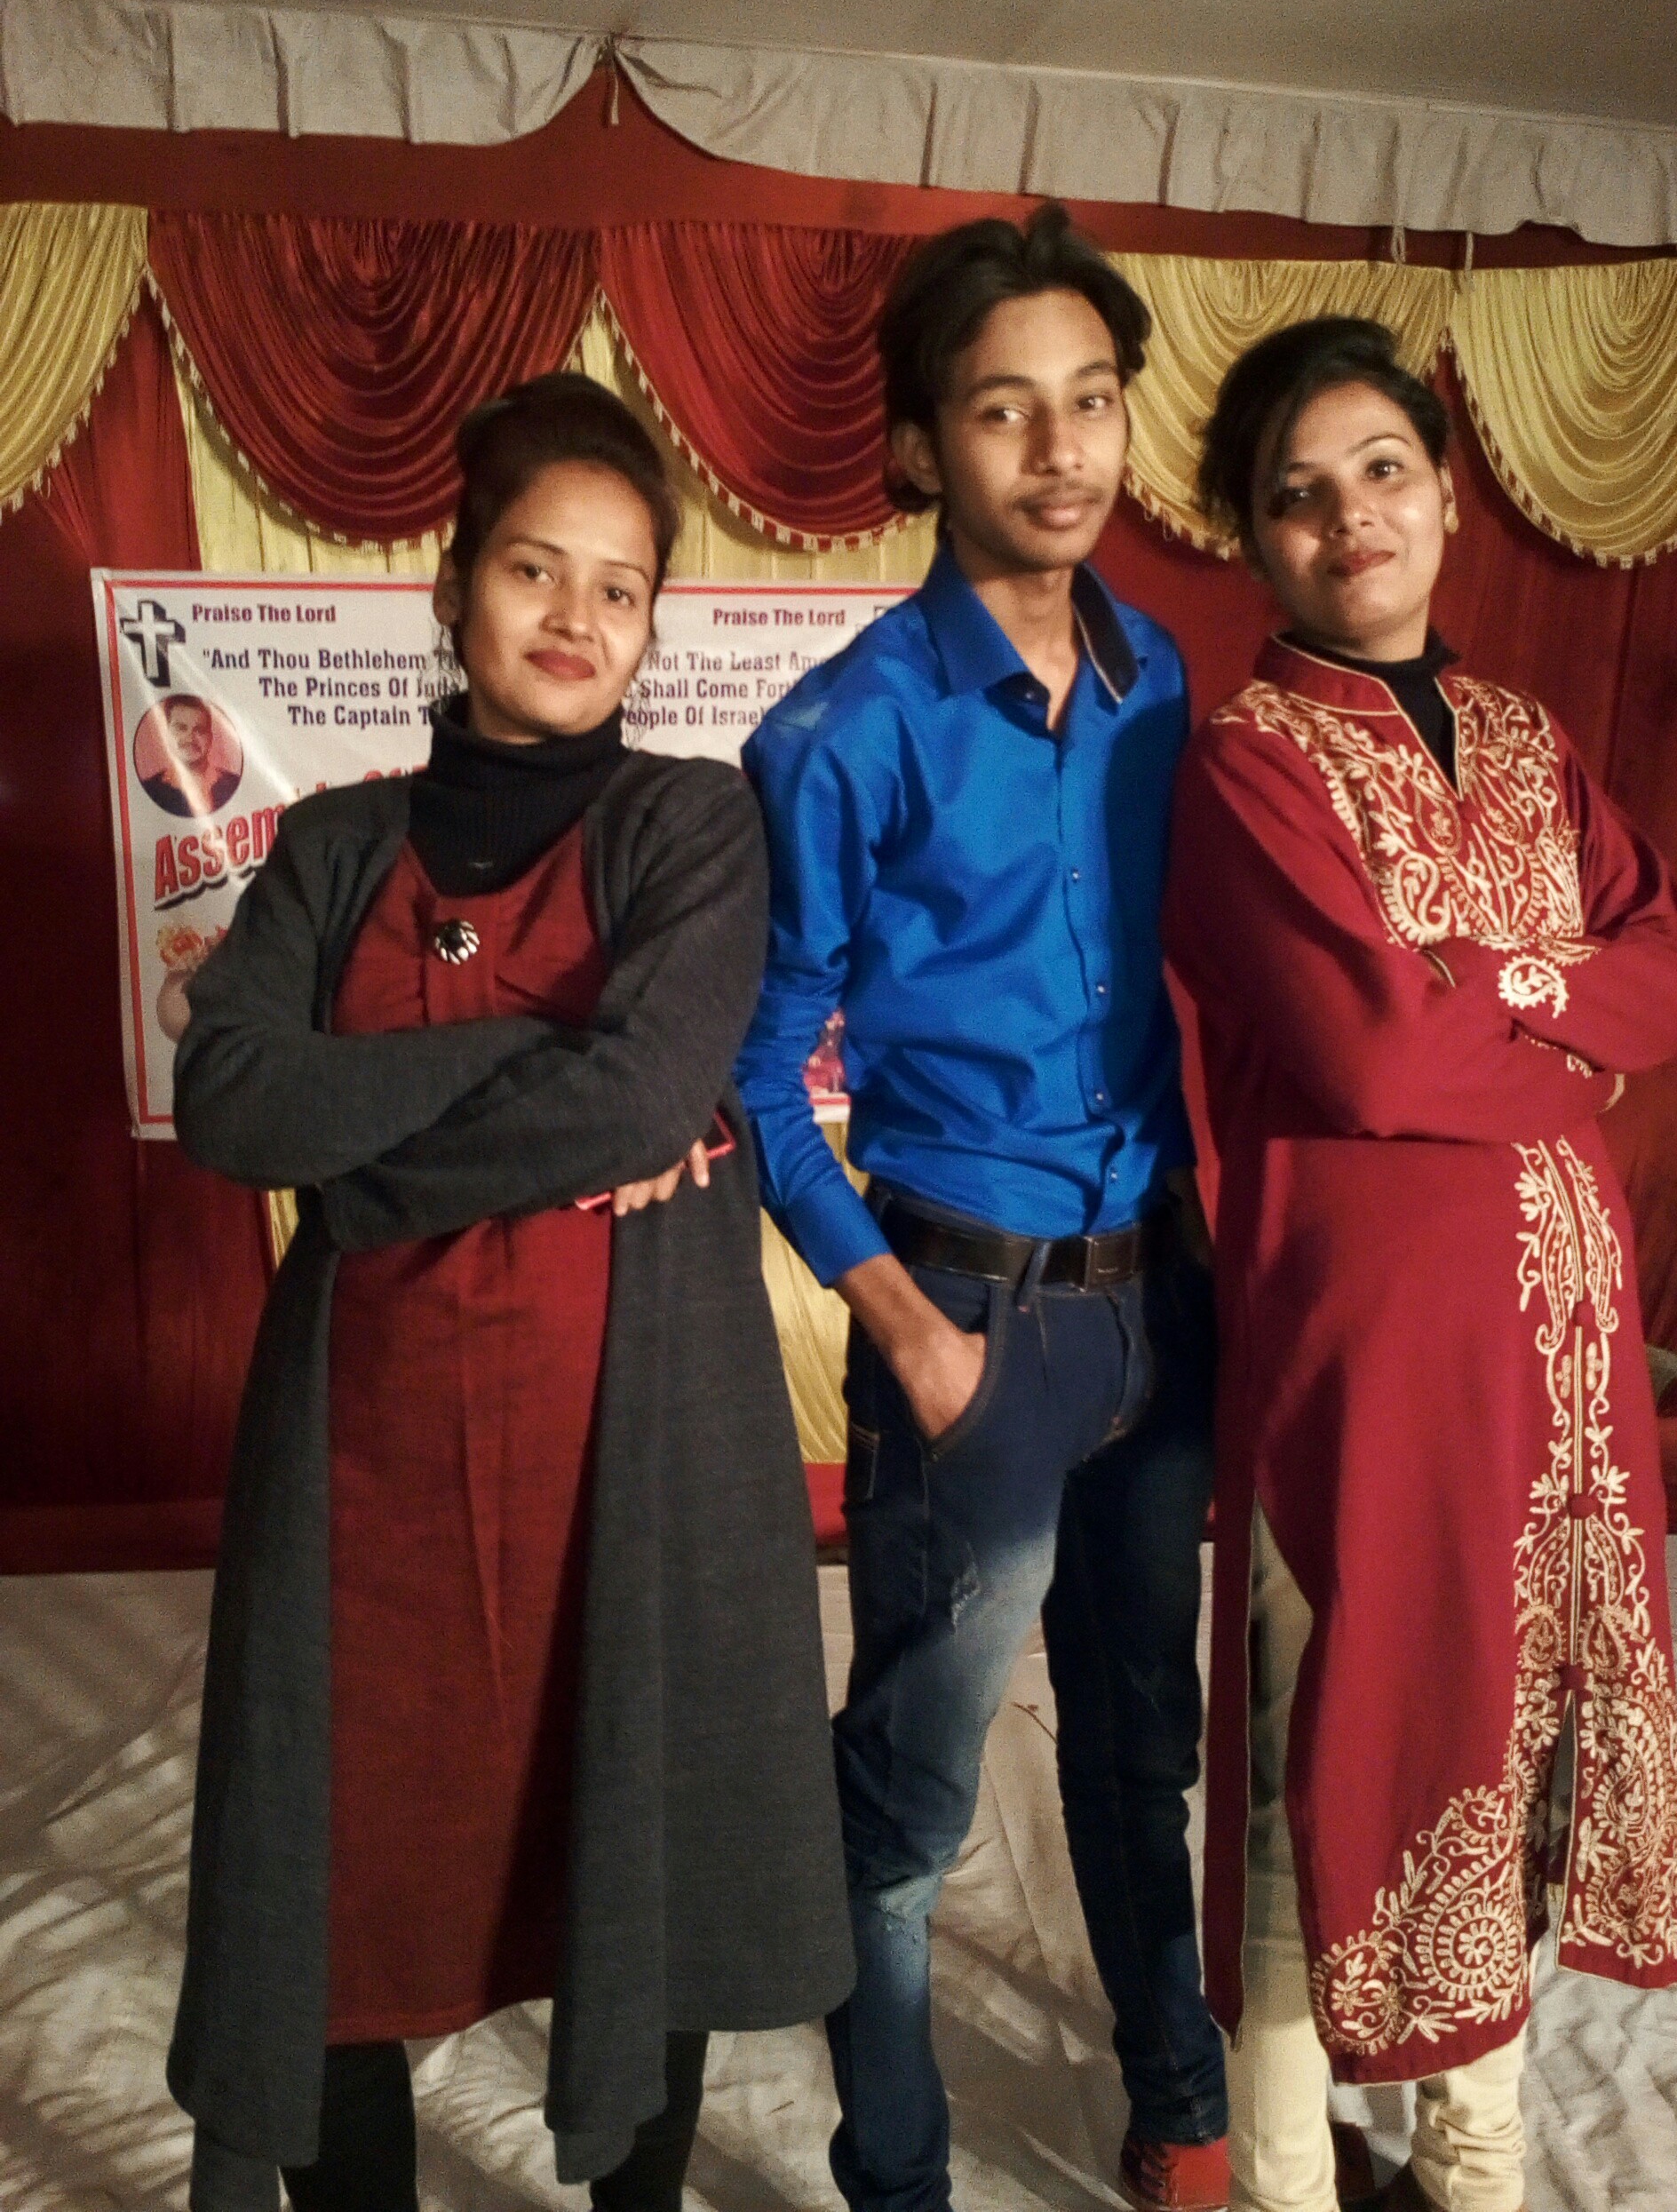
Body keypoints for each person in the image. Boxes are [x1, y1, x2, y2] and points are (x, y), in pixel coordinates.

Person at [167, 373, 852, 2212]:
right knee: (337, 1884)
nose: (574, 616)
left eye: (620, 588)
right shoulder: (332, 848)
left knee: (637, 1854)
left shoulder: (690, 827)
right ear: (457, 582)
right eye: (536, 569)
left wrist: (358, 1155)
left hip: (630, 1471)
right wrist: (537, 1065)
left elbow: (641, 1096)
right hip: (364, 1482)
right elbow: (232, 1100)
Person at [1163, 317, 1677, 2212]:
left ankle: (1477, 2168)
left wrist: (1494, 977)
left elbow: (1675, 967)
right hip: (1367, 1351)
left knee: (1510, 1737)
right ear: (1257, 541)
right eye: (1299, 494)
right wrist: (1564, 1025)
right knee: (1339, 1754)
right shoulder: (1248, 769)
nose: (1352, 517)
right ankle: (1292, 2177)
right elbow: (1375, 1059)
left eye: (1383, 469)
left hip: (1563, 1345)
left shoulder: (1536, 744)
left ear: (1450, 495)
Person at [737, 204, 1230, 2212]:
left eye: (1091, 401)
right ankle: (899, 2176)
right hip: (973, 1319)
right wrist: (909, 1331)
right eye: (1005, 408)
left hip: (1156, 1306)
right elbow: (760, 1071)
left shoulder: (1157, 674)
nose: (1060, 448)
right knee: (911, 1810)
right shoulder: (843, 728)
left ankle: (1180, 2107)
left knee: (1141, 1742)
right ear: (923, 443)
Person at [144, 693, 242, 816]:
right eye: (181, 728)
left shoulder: (234, 784)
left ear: (210, 738)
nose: (190, 738)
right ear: (166, 735)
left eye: (199, 730)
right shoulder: (150, 789)